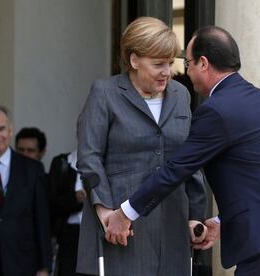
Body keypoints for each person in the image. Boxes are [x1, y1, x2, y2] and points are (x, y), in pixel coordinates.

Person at [104, 26, 260, 276]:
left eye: (187, 63)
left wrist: (125, 213)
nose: (185, 72)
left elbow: (176, 169)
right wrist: (223, 222)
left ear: (203, 63)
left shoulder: (216, 110)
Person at [76, 17, 208, 276]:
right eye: (158, 64)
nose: (167, 72)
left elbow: (190, 160)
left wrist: (195, 215)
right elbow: (89, 158)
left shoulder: (181, 95)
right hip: (120, 228)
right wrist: (106, 215)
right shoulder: (105, 93)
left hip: (173, 223)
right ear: (134, 60)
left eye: (170, 63)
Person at [0, 105, 52, 275]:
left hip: (22, 263)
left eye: (1, 129)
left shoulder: (33, 169)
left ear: (10, 131)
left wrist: (44, 267)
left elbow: (41, 220)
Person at [48, 149, 86, 276]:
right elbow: (51, 203)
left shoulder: (108, 161)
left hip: (97, 233)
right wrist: (75, 198)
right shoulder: (62, 162)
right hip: (68, 233)